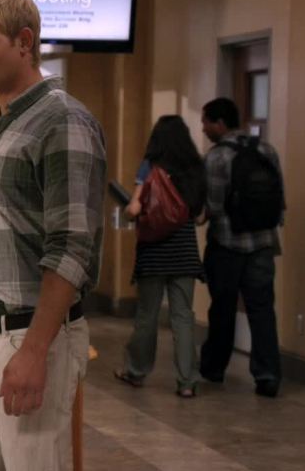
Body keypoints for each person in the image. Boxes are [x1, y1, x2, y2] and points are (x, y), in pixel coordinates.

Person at [0, 0, 106, 471]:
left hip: (31, 337)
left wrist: (34, 351)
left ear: (24, 42)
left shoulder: (63, 119)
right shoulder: (11, 120)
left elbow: (71, 248)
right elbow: (27, 209)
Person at [113, 115, 206, 398]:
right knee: (183, 317)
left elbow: (134, 209)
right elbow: (199, 216)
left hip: (153, 252)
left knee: (147, 315)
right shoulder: (194, 167)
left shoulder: (151, 166)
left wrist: (128, 209)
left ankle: (136, 371)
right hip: (185, 252)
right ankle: (187, 381)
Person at [199, 97, 284, 398]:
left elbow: (212, 205)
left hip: (227, 243)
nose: (203, 128)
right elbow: (279, 198)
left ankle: (214, 367)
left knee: (222, 308)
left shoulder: (216, 157)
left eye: (206, 122)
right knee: (262, 308)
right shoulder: (266, 150)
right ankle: (267, 375)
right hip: (264, 243)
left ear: (220, 123)